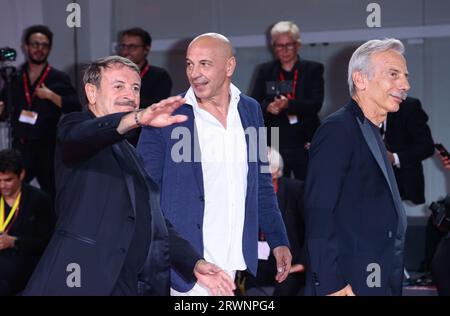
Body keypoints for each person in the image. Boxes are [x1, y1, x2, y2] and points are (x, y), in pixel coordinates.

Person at [23, 56, 235, 296]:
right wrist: (135, 118)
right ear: (91, 93)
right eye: (118, 86)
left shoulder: (131, 153)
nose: (130, 94)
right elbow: (81, 136)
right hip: (84, 278)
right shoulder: (74, 126)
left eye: (135, 88)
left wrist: (195, 263)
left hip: (135, 283)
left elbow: (156, 221)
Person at [138, 33, 292, 296]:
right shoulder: (166, 116)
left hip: (231, 263)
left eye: (204, 64)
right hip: (184, 268)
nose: (194, 73)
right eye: (189, 64)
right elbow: (144, 197)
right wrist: (186, 258)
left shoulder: (251, 110)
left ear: (229, 66)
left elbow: (261, 183)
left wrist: (278, 238)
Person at [304, 38, 410, 296]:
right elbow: (318, 211)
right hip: (347, 285)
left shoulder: (371, 131)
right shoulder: (338, 129)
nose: (405, 85)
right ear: (360, 79)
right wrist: (331, 284)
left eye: (405, 76)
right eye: (393, 74)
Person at [0, 25, 81, 198]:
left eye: (44, 45)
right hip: (20, 146)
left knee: (53, 194)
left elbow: (75, 106)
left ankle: (53, 225)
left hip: (48, 147)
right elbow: (4, 112)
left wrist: (52, 96)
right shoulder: (13, 76)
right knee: (14, 194)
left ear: (49, 49)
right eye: (35, 44)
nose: (39, 49)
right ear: (26, 47)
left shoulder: (58, 78)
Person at [251, 21, 324, 180]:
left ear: (298, 44)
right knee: (275, 188)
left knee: (306, 189)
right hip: (275, 138)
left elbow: (316, 104)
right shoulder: (266, 71)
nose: (283, 50)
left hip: (304, 138)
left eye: (288, 45)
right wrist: (268, 107)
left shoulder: (312, 69)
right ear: (273, 46)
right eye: (279, 45)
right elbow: (254, 103)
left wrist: (289, 104)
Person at [244, 147, 305, 296]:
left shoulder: (296, 190)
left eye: (268, 175)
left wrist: (303, 264)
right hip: (257, 259)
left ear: (277, 172)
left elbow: (309, 228)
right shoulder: (247, 190)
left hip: (289, 261)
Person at [0, 149, 55, 295]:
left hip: (23, 264)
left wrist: (14, 242)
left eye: (8, 180)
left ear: (21, 175)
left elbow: (47, 243)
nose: (2, 186)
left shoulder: (39, 200)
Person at [117, 27, 173, 146]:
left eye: (133, 47)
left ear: (146, 49)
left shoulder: (159, 75)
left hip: (145, 135)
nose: (126, 51)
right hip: (117, 133)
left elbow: (158, 106)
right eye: (124, 46)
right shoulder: (113, 75)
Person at [381, 96, 434, 205]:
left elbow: (427, 147)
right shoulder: (362, 106)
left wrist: (395, 158)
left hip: (400, 183)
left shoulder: (408, 106)